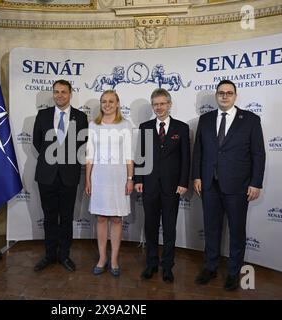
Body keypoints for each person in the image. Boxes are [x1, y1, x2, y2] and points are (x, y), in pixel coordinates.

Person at [192, 80, 266, 291]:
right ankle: (210, 267)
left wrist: (256, 182)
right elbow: (199, 151)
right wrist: (196, 177)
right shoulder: (205, 120)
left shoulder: (250, 120)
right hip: (209, 185)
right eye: (221, 93)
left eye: (229, 93)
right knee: (211, 228)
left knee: (236, 231)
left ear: (235, 96)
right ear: (216, 95)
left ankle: (234, 272)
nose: (225, 96)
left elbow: (258, 154)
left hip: (238, 186)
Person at [134, 88, 190, 283]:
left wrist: (183, 182)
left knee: (169, 228)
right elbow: (140, 156)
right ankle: (151, 264)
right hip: (149, 186)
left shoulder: (181, 128)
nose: (159, 107)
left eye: (162, 103)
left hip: (172, 187)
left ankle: (167, 266)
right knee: (150, 227)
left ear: (169, 104)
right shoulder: (144, 127)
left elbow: (186, 159)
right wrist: (139, 180)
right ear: (153, 106)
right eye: (156, 104)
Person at [33, 79, 88, 272]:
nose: (59, 95)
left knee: (66, 217)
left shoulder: (81, 117)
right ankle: (49, 255)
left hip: (69, 176)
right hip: (47, 175)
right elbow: (37, 143)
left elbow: (82, 144)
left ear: (70, 94)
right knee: (49, 217)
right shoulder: (42, 115)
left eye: (63, 92)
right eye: (56, 92)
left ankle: (64, 255)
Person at [85, 90, 134, 277]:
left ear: (118, 103)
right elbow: (90, 155)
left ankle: (114, 259)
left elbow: (129, 155)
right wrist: (88, 179)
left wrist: (130, 179)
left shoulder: (125, 125)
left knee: (116, 218)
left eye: (111, 101)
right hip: (99, 177)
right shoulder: (93, 125)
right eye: (104, 101)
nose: (107, 104)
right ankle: (102, 258)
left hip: (119, 177)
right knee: (101, 218)